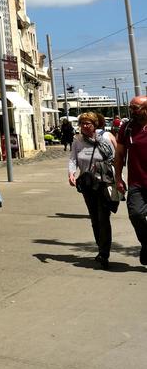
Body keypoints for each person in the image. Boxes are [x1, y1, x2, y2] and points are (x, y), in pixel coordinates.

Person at [68, 112, 115, 269]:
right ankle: (100, 247)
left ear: (95, 125)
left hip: (103, 183)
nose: (85, 126)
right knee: (94, 218)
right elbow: (73, 159)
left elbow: (113, 159)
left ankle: (104, 253)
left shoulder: (105, 139)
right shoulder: (78, 141)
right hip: (87, 184)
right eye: (82, 123)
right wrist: (71, 173)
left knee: (103, 217)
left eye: (88, 123)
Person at [115, 96, 147, 266]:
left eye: (136, 108)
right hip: (136, 182)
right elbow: (119, 154)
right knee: (136, 214)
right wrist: (118, 178)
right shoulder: (126, 128)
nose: (132, 111)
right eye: (131, 108)